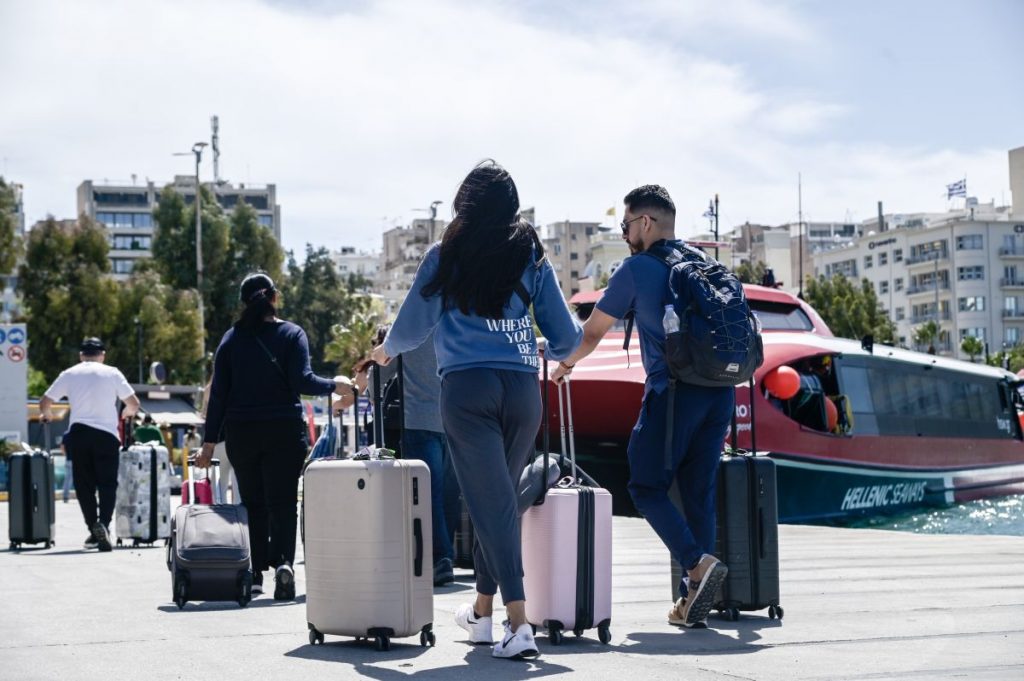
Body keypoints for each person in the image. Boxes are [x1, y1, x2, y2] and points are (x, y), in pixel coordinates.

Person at [370, 160, 582, 659]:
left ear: (464, 203)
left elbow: (412, 326)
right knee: (498, 503)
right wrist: (561, 355)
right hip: (523, 391)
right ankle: (482, 615)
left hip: (468, 391)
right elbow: (565, 335)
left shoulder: (446, 254)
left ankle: (519, 624)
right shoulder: (531, 253)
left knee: (493, 505)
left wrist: (385, 351)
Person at [551, 185, 733, 629]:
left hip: (674, 392)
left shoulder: (636, 269)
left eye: (626, 224)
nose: (625, 233)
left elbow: (591, 333)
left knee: (646, 485)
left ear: (645, 222)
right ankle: (692, 602)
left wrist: (566, 364)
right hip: (721, 391)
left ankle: (696, 566)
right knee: (698, 493)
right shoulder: (702, 261)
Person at [197, 273, 357, 600]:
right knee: (283, 503)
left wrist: (208, 444)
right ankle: (284, 564)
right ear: (274, 297)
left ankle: (255, 574)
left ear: (244, 303)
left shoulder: (230, 340)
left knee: (252, 503)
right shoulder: (291, 334)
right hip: (284, 431)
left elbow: (218, 397)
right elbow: (302, 381)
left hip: (242, 433)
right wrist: (335, 385)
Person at [367, 329, 457, 586]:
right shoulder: (454, 323)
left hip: (418, 420)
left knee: (428, 493)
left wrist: (372, 395)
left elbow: (380, 372)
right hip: (454, 419)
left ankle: (440, 558)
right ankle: (445, 555)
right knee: (449, 492)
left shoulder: (408, 329)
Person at [39, 337, 140, 552]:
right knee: (107, 484)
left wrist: (47, 415)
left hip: (80, 434)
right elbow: (134, 403)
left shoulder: (69, 373)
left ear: (81, 356)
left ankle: (93, 529)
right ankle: (103, 524)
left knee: (84, 486)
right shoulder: (112, 373)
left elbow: (45, 402)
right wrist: (126, 413)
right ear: (102, 355)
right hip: (107, 436)